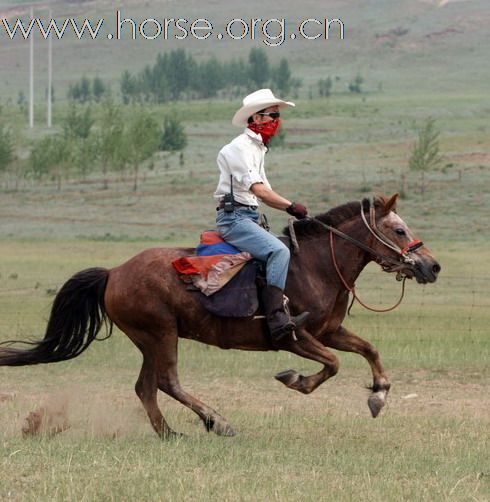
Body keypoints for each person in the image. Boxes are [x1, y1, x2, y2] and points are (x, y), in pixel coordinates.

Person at [214, 89, 310, 341]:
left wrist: (293, 210)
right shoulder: (238, 148)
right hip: (234, 219)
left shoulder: (258, 148)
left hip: (249, 215)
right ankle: (277, 317)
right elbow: (260, 191)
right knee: (279, 251)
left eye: (278, 115)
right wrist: (291, 206)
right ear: (255, 118)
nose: (277, 120)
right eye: (273, 115)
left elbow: (263, 192)